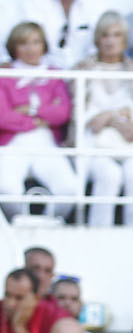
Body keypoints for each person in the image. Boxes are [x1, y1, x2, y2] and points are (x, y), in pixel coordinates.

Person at [73, 11, 133, 227]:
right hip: (93, 146)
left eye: (116, 35)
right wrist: (116, 117)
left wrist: (107, 116)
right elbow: (85, 120)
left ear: (125, 39)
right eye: (105, 35)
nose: (110, 41)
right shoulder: (82, 69)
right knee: (109, 175)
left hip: (128, 145)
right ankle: (99, 234)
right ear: (97, 38)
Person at [0, 20, 79, 221]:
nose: (31, 49)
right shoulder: (4, 74)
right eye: (24, 43)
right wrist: (38, 120)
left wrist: (32, 110)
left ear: (44, 45)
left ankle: (50, 223)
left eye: (36, 42)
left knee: (69, 189)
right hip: (12, 144)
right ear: (14, 46)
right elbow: (3, 117)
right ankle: (20, 224)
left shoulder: (53, 75)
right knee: (8, 189)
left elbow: (63, 113)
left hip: (47, 143)